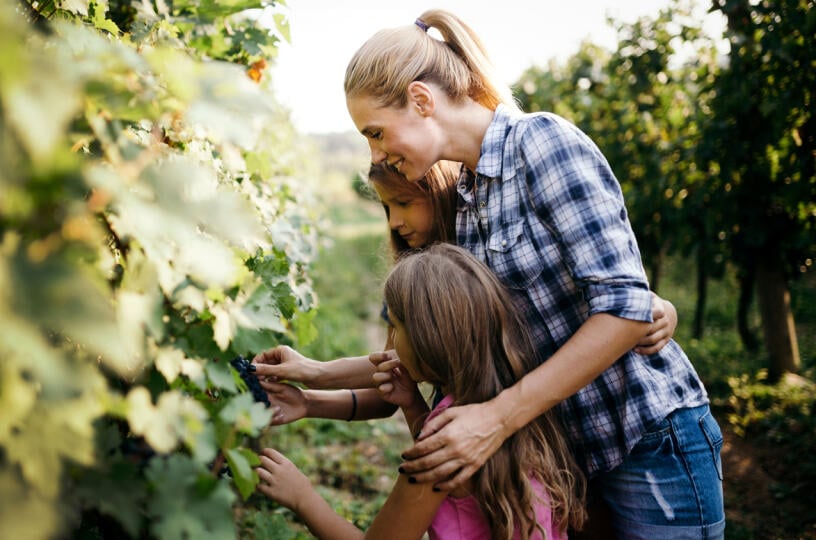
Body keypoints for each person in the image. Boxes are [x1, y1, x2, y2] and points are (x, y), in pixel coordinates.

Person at [333, 8, 724, 539]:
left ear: (422, 100)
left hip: (644, 440)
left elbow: (625, 308)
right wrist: (310, 379)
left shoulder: (541, 145)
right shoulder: (466, 202)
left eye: (376, 132)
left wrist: (497, 417)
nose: (377, 153)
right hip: (573, 457)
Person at [257, 162, 677, 426]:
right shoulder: (413, 275)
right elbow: (394, 371)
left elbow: (586, 294)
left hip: (553, 431)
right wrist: (310, 385)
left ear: (440, 192)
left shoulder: (479, 259)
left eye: (403, 203)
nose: (395, 222)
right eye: (386, 209)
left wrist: (658, 306)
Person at [256, 243, 586, 539]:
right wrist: (414, 407)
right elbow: (463, 500)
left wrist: (302, 497)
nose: (390, 341)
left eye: (395, 326)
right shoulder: (513, 404)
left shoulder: (441, 444)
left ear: (427, 342)